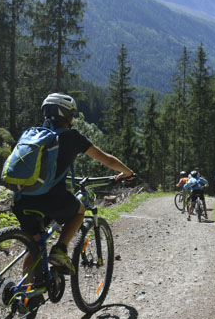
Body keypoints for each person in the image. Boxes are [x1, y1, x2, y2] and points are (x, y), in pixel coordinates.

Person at [12, 92, 134, 274]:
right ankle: (60, 250)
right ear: (68, 116)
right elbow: (106, 160)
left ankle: (25, 296)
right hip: (50, 200)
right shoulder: (72, 137)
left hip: (21, 199)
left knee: (36, 245)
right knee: (79, 210)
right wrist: (127, 172)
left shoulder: (33, 136)